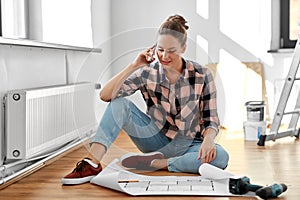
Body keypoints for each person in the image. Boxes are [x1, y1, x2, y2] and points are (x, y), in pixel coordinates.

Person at [61, 14, 229, 185]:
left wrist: (208, 140)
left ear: (183, 48)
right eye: (160, 49)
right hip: (156, 140)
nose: (164, 56)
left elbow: (211, 120)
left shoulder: (202, 75)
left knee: (221, 158)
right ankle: (92, 164)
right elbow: (105, 95)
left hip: (190, 143)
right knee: (120, 104)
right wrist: (135, 65)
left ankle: (156, 163)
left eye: (171, 50)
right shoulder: (147, 73)